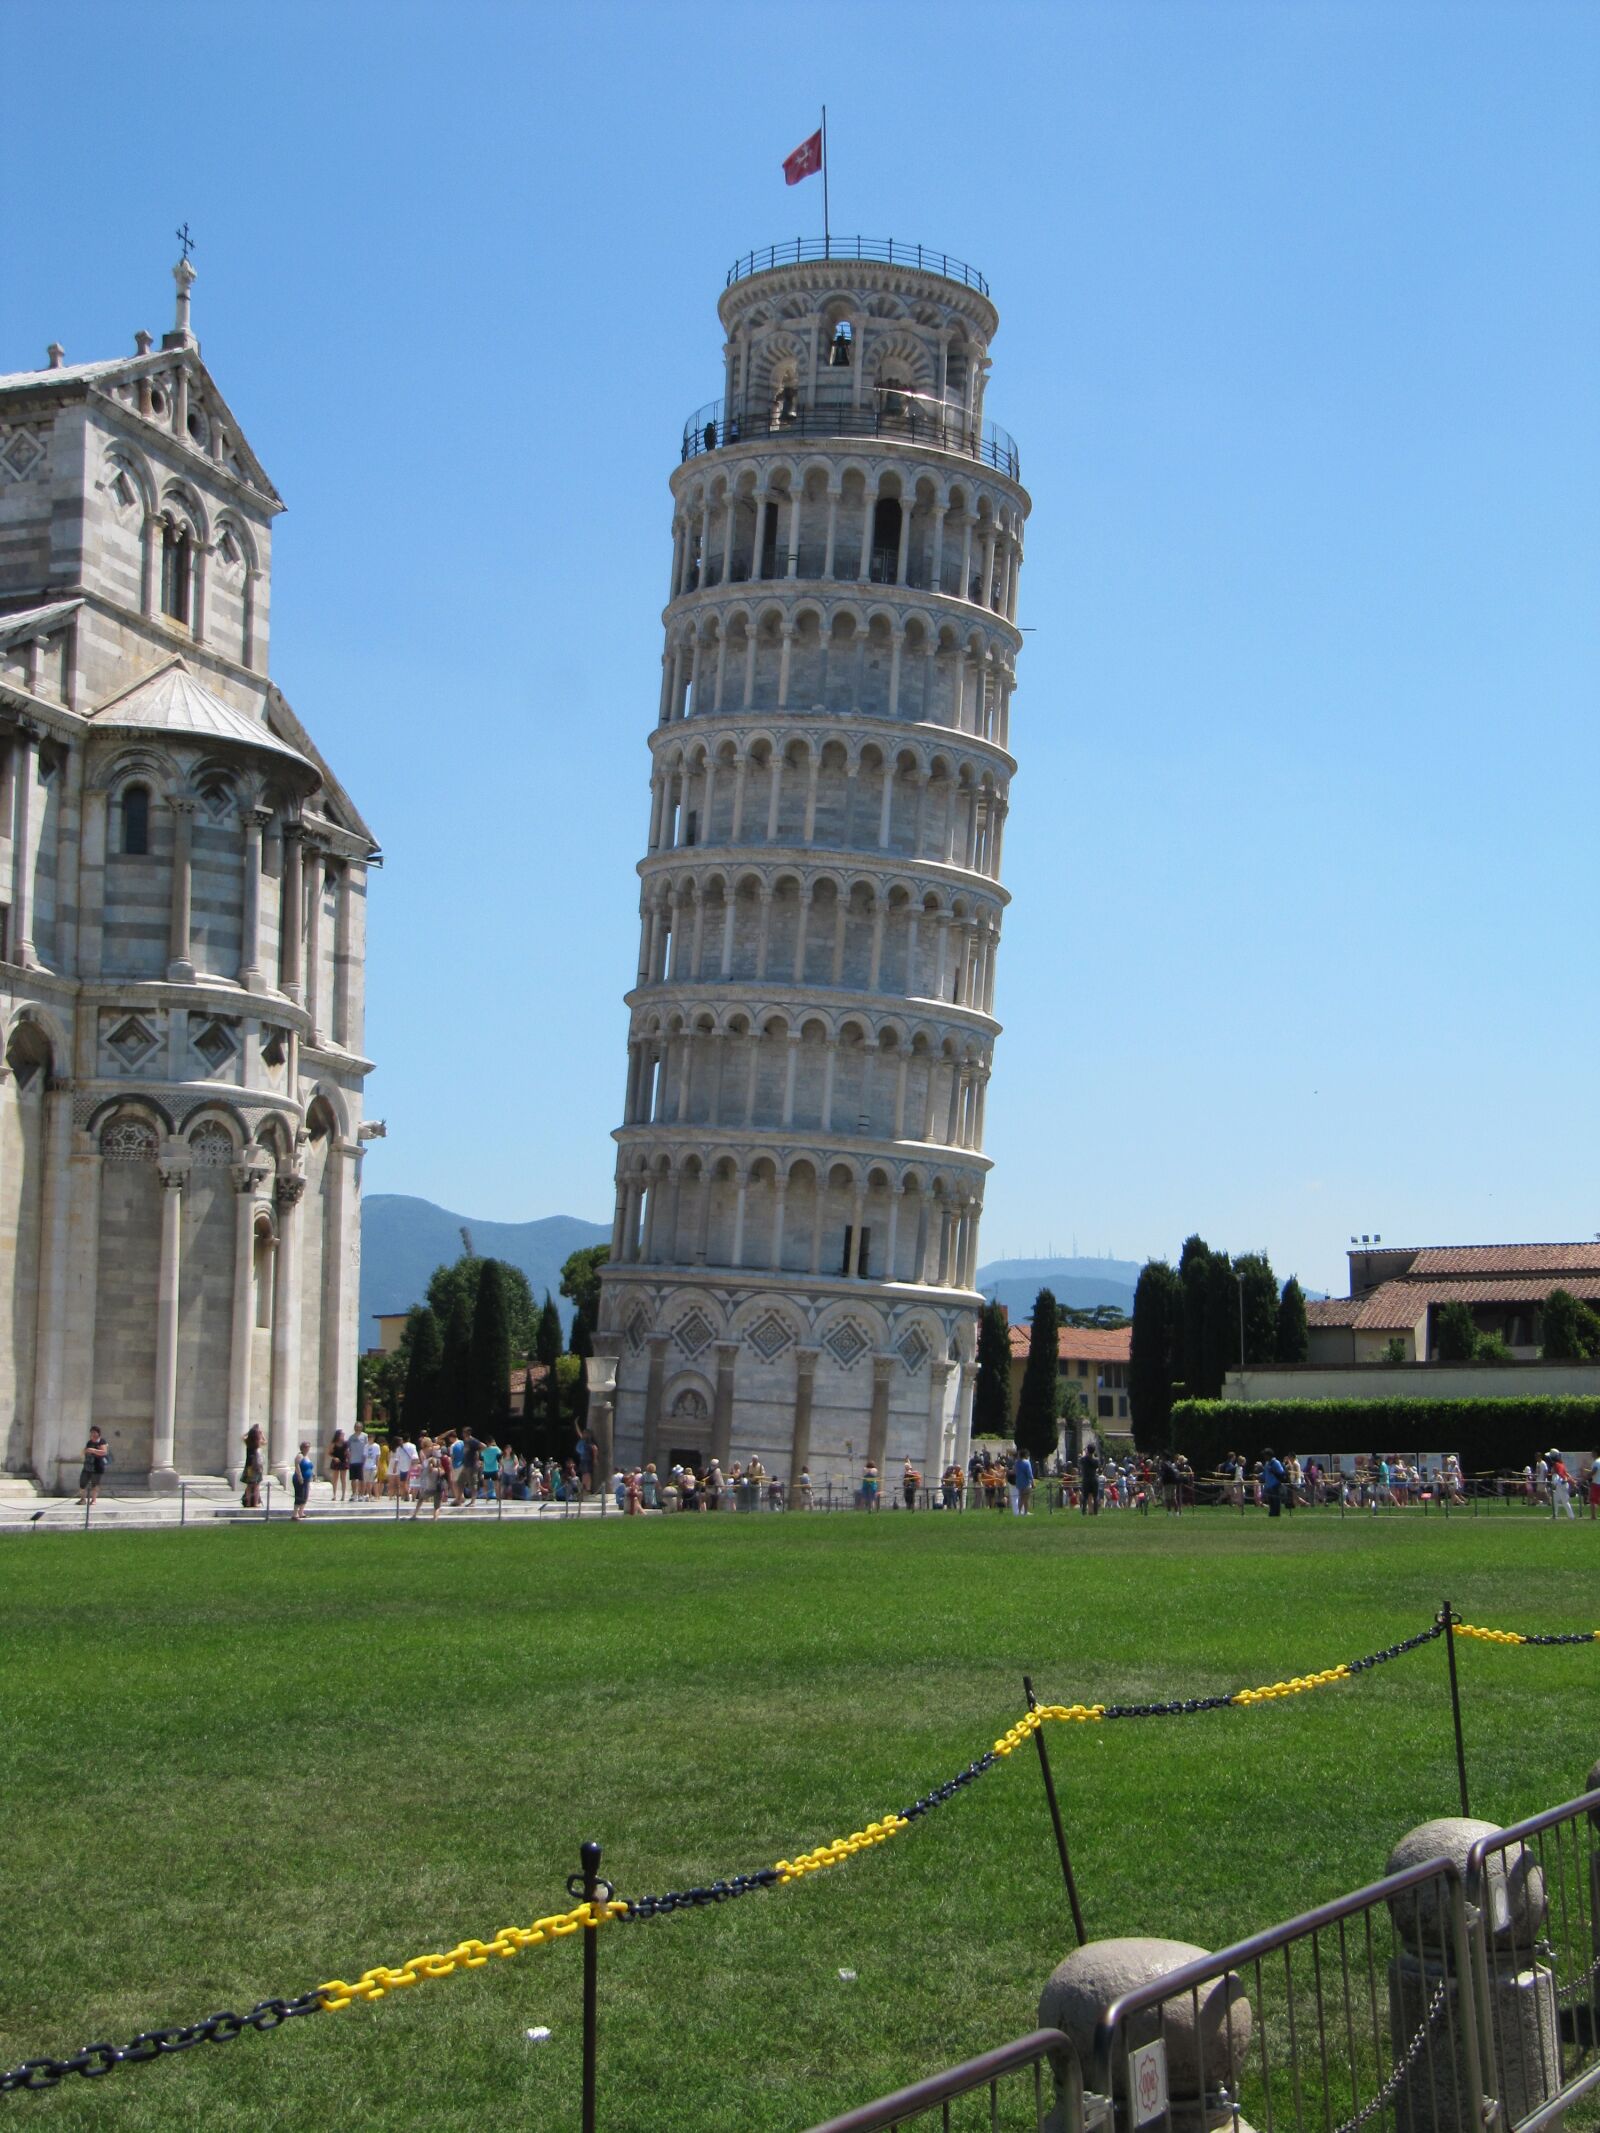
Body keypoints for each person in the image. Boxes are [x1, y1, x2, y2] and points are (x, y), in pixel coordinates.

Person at [76, 1426, 111, 1505]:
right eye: (92, 1432)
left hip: (97, 1466)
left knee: (95, 1484)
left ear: (98, 1433)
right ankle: (82, 1499)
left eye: (95, 1432)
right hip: (87, 1466)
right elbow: (85, 1451)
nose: (93, 1434)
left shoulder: (102, 1441)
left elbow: (104, 1452)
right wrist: (84, 1452)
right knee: (82, 1483)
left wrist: (93, 1450)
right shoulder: (89, 1442)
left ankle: (93, 1500)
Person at [241, 1424, 265, 1509]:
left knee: (249, 1485)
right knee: (256, 1485)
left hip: (249, 1466)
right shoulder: (258, 1443)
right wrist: (262, 1434)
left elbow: (243, 1437)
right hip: (257, 1467)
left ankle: (247, 1502)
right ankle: (255, 1503)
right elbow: (265, 1442)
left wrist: (250, 1431)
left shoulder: (248, 1442)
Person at [292, 1440, 315, 1521]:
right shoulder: (300, 1456)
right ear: (302, 1448)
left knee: (305, 1495)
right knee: (299, 1495)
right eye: (306, 1447)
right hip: (299, 1479)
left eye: (308, 1447)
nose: (307, 1448)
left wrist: (313, 1474)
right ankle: (295, 1514)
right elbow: (297, 1466)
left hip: (307, 1479)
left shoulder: (307, 1457)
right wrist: (300, 1476)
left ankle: (301, 1512)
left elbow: (310, 1467)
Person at [1261, 1446, 1287, 1519]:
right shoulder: (1267, 1464)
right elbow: (1264, 1475)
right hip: (1269, 1487)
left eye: (1265, 1455)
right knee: (1271, 1505)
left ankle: (1276, 1517)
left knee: (1276, 1505)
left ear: (1269, 1455)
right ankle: (1272, 1516)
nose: (1264, 1457)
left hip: (1275, 1487)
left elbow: (1282, 1473)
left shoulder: (1276, 1463)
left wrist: (1273, 1471)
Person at [328, 1429, 349, 1503]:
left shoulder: (346, 1443)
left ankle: (343, 1495)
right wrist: (334, 1458)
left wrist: (348, 1456)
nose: (343, 1436)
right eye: (341, 1434)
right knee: (335, 1479)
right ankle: (334, 1495)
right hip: (336, 1461)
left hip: (343, 1461)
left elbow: (348, 1452)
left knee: (343, 1479)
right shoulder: (333, 1443)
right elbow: (329, 1453)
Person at [1080, 1442, 1100, 1515]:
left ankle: (1084, 1512)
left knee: (1085, 1497)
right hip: (1094, 1478)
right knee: (1095, 1497)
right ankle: (1096, 1513)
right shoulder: (1096, 1460)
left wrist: (1085, 1454)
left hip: (1086, 1479)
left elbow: (1082, 1460)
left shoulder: (1083, 1459)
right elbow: (1097, 1466)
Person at [1014, 1450, 1034, 1515]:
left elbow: (1015, 1471)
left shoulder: (1017, 1463)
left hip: (1019, 1482)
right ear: (1026, 1455)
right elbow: (1029, 1474)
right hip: (1026, 1482)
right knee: (1026, 1498)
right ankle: (1025, 1512)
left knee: (1021, 1497)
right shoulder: (1027, 1462)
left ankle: (1019, 1511)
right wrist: (1033, 1482)